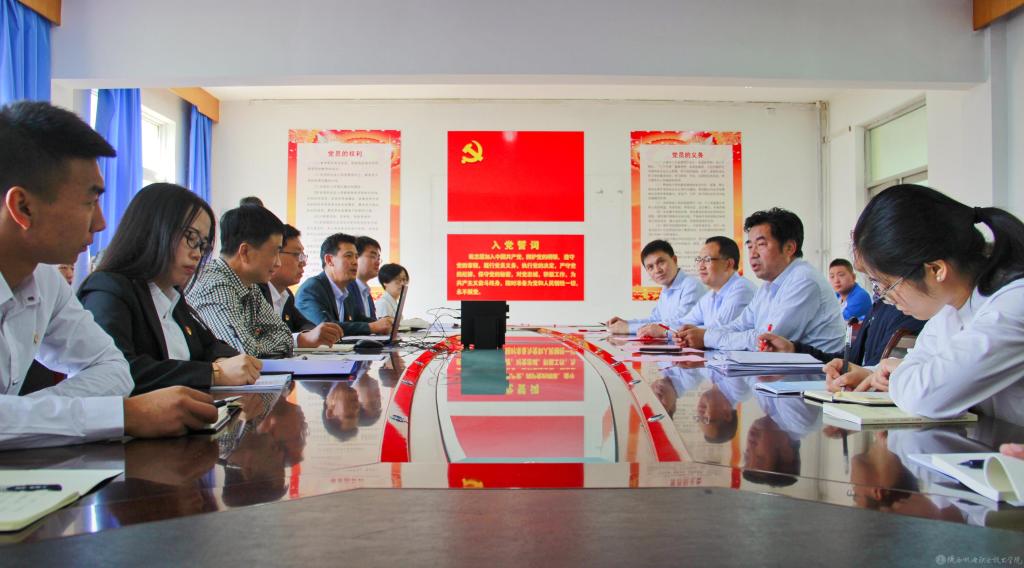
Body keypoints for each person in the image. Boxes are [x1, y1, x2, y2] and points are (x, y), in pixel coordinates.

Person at [0, 101, 217, 449]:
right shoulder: (109, 287)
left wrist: (23, 416)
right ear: (23, 207)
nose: (101, 223)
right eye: (90, 203)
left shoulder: (46, 283)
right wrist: (117, 415)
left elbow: (113, 368)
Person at [824, 184, 1024, 422]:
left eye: (888, 285)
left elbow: (925, 395)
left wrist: (900, 373)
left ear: (936, 269)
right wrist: (872, 373)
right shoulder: (950, 310)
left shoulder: (1013, 304)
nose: (885, 297)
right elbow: (918, 366)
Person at [78, 183, 262, 394]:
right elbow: (120, 371)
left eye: (202, 245)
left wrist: (220, 361)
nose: (197, 254)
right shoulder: (109, 289)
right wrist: (214, 373)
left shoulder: (172, 296)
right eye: (191, 238)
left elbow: (212, 346)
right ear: (153, 229)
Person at [676, 208, 845, 352]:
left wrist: (707, 337)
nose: (753, 254)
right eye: (750, 246)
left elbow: (768, 340)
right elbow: (740, 325)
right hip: (785, 371)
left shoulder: (804, 280)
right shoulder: (768, 286)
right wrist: (703, 333)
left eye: (761, 244)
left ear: (789, 248)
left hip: (817, 376)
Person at [187, 206, 342, 357]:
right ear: (245, 252)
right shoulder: (215, 285)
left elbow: (284, 334)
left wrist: (256, 342)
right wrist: (259, 342)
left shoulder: (250, 286)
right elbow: (243, 352)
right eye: (274, 252)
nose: (278, 263)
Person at [759, 256, 926, 366]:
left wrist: (859, 375)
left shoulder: (906, 310)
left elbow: (871, 373)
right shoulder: (880, 305)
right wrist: (794, 349)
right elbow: (849, 362)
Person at [295, 233, 394, 335]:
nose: (355, 262)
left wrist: (384, 323)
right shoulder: (311, 289)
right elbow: (327, 327)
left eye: (356, 257)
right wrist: (372, 327)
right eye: (348, 256)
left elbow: (358, 319)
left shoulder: (345, 292)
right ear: (329, 260)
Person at [606, 239, 706, 338]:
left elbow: (679, 323)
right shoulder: (666, 289)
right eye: (650, 267)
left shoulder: (692, 285)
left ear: (674, 260)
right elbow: (655, 319)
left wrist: (628, 328)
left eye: (661, 262)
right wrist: (626, 323)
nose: (657, 270)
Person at [672, 236, 755, 336]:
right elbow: (683, 322)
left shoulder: (743, 289)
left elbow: (719, 329)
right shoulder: (710, 295)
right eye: (699, 259)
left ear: (728, 264)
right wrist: (664, 330)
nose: (701, 266)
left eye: (707, 260)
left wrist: (685, 331)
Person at [259, 224, 315, 334]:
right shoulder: (256, 291)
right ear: (275, 253)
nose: (303, 263)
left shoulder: (286, 294)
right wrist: (300, 338)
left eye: (303, 256)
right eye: (297, 254)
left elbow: (304, 325)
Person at [829, 258, 871, 322]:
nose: (836, 280)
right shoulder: (836, 296)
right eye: (832, 276)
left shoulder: (861, 296)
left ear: (853, 277)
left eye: (841, 275)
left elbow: (836, 321)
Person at [350, 235, 382, 320]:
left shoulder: (366, 291)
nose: (378, 262)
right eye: (373, 256)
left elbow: (371, 323)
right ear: (355, 257)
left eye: (378, 258)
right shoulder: (347, 289)